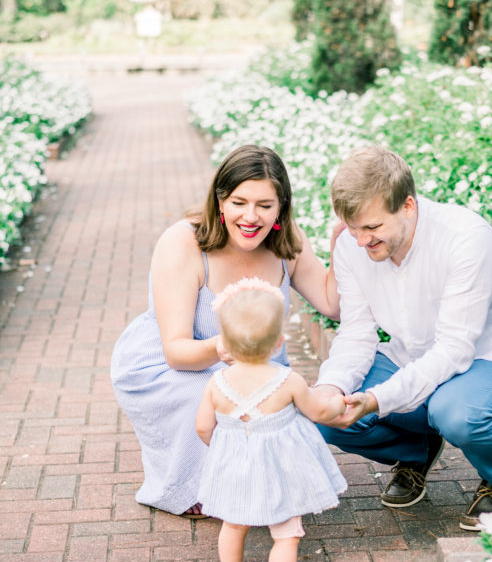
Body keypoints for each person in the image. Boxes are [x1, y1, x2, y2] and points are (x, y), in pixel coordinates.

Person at [314, 147, 492, 532]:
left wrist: (376, 400)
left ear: (408, 205)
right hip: (410, 357)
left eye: (371, 228)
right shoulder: (352, 245)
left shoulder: (466, 238)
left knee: (454, 412)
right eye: (352, 228)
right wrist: (329, 388)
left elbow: (454, 350)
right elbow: (356, 334)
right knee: (329, 418)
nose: (361, 240)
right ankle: (418, 451)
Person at [111, 144, 341, 517]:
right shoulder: (184, 242)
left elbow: (333, 304)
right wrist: (228, 346)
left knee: (270, 399)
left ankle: (256, 483)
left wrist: (342, 245)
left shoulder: (289, 243)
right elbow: (176, 350)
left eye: (265, 205)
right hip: (170, 364)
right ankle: (193, 488)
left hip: (245, 360)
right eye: (239, 202)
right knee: (217, 395)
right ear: (219, 201)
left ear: (281, 206)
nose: (251, 217)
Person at [195, 278, 347, 562]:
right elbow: (318, 411)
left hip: (234, 463)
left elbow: (203, 426)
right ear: (279, 341)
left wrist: (222, 448)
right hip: (281, 469)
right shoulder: (287, 380)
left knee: (233, 522)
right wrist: (338, 403)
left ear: (226, 345)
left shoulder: (216, 383)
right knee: (286, 532)